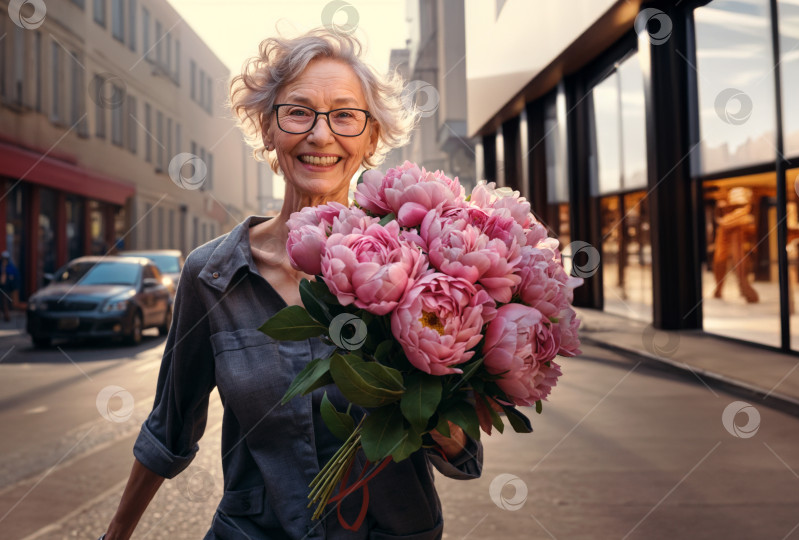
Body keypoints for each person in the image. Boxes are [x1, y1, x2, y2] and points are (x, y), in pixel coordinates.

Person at [101, 29, 482, 540]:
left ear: (371, 139)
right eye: (298, 112)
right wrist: (116, 534)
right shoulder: (212, 275)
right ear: (267, 129)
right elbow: (169, 429)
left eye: (345, 115)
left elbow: (464, 458)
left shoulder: (422, 262)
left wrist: (441, 417)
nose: (321, 136)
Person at [0, 251, 20, 322]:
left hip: (8, 288)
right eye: (3, 259)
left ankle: (7, 316)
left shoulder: (11, 267)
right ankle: (6, 315)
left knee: (7, 302)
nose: (4, 260)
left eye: (6, 259)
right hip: (2, 288)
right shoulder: (1, 267)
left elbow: (15, 277)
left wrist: (14, 287)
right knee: (4, 302)